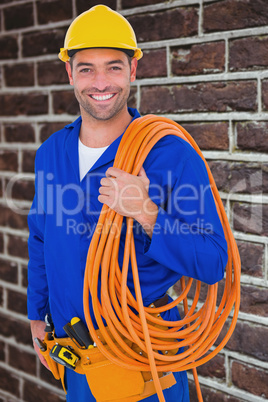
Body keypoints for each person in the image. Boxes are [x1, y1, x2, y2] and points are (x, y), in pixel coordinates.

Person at [27, 5, 228, 402]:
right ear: (69, 73)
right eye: (86, 68)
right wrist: (37, 314)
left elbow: (212, 260)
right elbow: (40, 239)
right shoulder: (51, 153)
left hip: (146, 362)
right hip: (80, 361)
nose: (100, 82)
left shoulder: (168, 154)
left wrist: (146, 211)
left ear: (133, 70)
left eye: (114, 67)